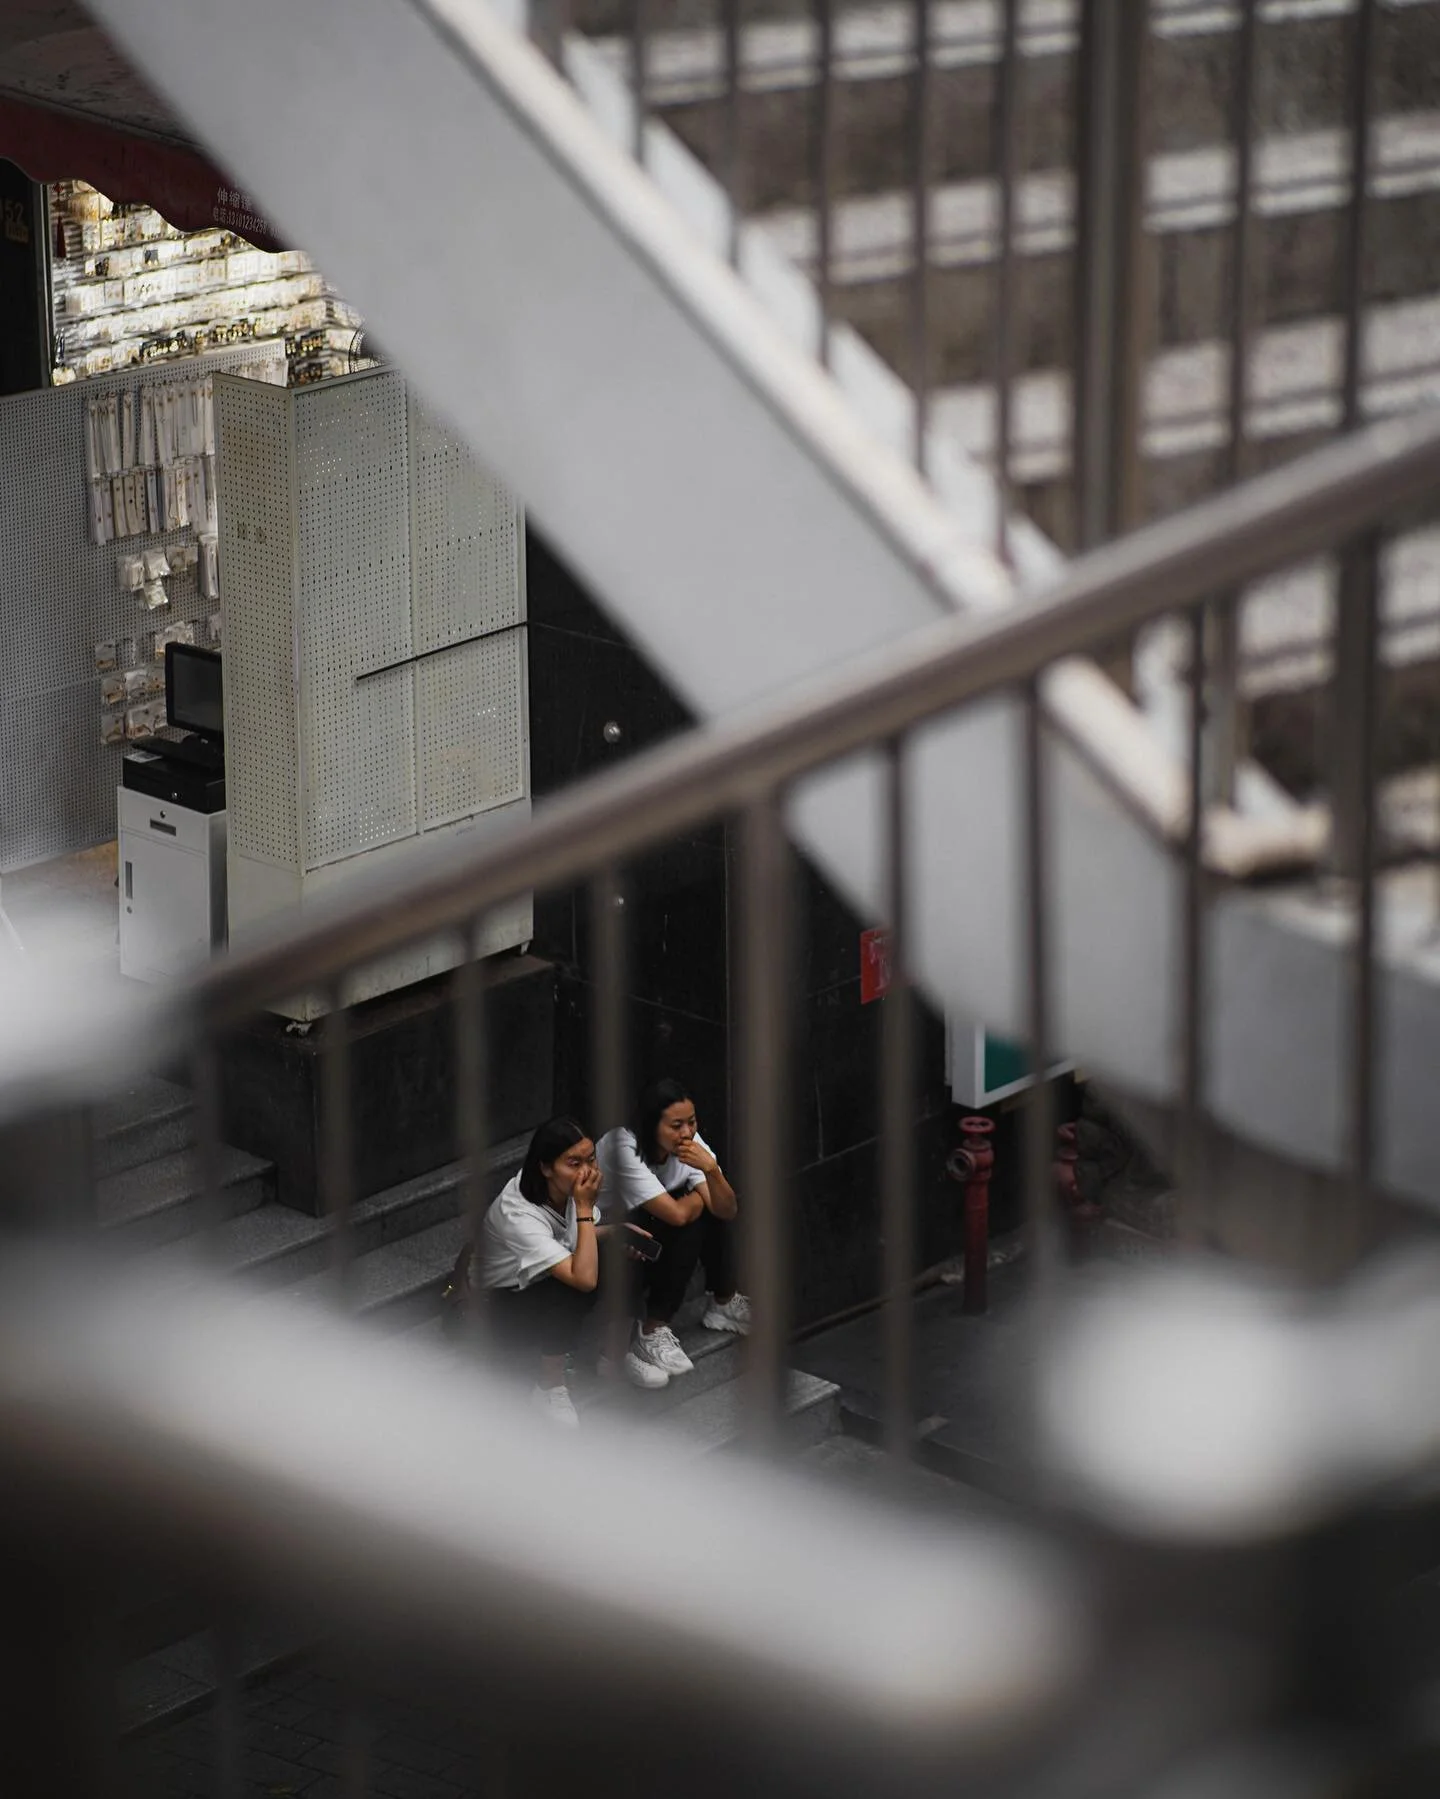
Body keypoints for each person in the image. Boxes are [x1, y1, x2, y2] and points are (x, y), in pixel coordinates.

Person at [475, 1115, 665, 1426]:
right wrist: (586, 1210)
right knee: (570, 1283)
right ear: (546, 1167)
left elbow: (573, 1238)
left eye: (591, 1159)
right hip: (502, 1304)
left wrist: (614, 1231)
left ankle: (614, 1357)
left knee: (623, 1253)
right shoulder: (518, 1213)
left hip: (545, 1278)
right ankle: (549, 1386)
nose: (587, 1171)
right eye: (573, 1163)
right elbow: (583, 1277)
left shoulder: (564, 1190)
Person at [597, 1077, 751, 1380]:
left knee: (709, 1211)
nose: (686, 1133)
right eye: (675, 1125)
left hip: (646, 1232)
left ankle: (722, 1301)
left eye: (691, 1122)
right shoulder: (623, 1147)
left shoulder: (690, 1145)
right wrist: (699, 1195)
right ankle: (649, 1331)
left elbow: (727, 1209)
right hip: (599, 1242)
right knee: (690, 1219)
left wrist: (710, 1171)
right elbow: (676, 1215)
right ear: (651, 1125)